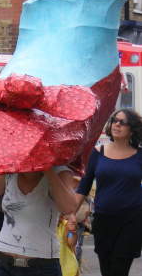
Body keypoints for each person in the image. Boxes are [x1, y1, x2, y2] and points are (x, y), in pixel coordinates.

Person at [0, 166, 76, 276]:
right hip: (3, 263)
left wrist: (48, 170)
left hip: (43, 265)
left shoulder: (60, 172)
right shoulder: (10, 172)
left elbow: (69, 208)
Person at [75, 109, 142, 276]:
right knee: (106, 269)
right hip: (103, 220)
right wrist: (70, 211)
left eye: (123, 122)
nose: (117, 124)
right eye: (114, 120)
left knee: (119, 269)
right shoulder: (98, 152)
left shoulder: (140, 155)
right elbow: (84, 185)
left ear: (132, 129)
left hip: (132, 221)